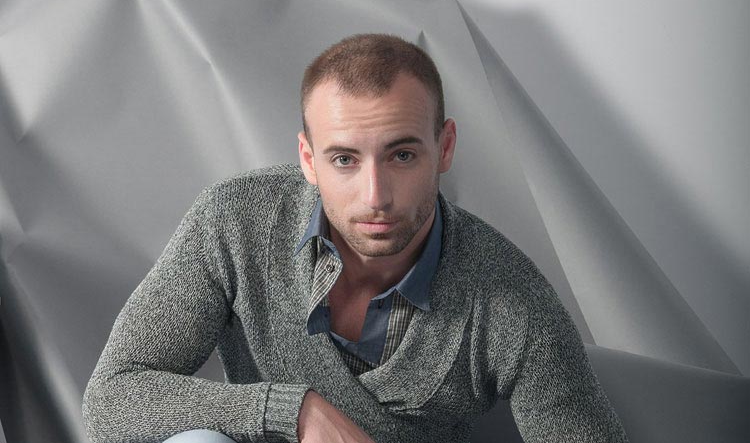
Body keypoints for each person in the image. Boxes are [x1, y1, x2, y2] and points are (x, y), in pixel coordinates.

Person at [82, 33, 629, 443]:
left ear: (444, 147)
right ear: (308, 159)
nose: (376, 196)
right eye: (344, 159)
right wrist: (293, 411)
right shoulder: (234, 221)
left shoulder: (511, 299)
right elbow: (111, 399)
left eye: (402, 155)